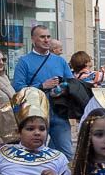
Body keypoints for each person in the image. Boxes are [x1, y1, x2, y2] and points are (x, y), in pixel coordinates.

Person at [12, 24, 74, 156]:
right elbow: (18, 88)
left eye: (48, 37)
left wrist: (63, 88)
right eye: (42, 37)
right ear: (33, 39)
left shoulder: (60, 61)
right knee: (35, 153)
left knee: (67, 153)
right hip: (34, 115)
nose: (46, 40)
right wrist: (42, 86)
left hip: (58, 112)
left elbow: (71, 84)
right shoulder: (24, 61)